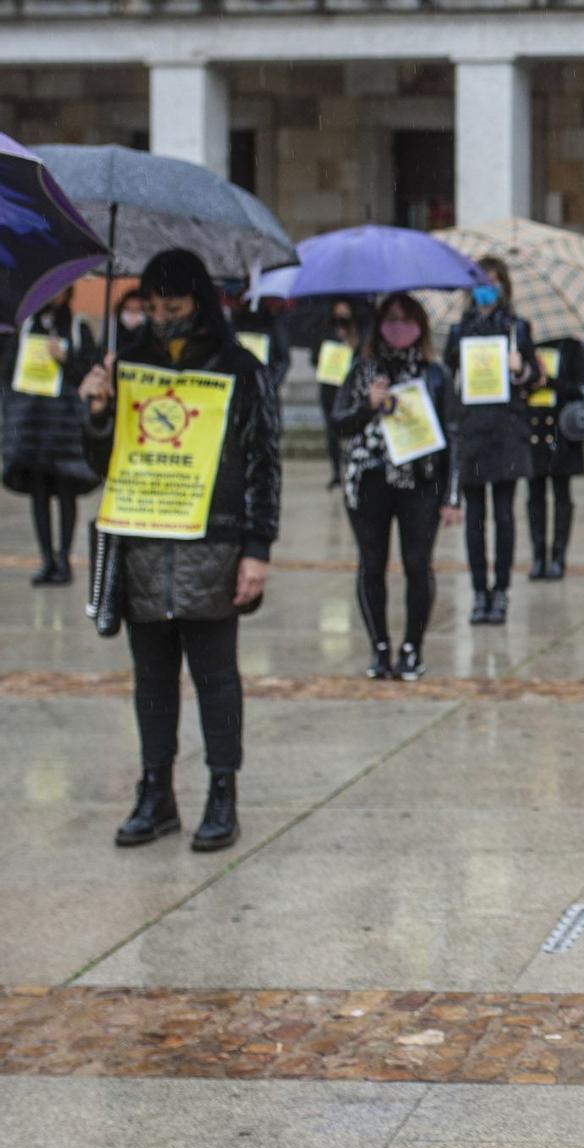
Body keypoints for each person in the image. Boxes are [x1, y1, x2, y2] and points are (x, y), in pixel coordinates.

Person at [78, 249, 281, 853]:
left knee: (216, 677)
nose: (163, 318)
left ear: (200, 304)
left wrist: (256, 548)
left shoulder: (239, 368)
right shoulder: (129, 364)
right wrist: (98, 409)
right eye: (154, 307)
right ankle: (155, 792)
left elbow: (263, 464)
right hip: (142, 541)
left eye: (176, 307)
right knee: (152, 679)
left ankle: (223, 792)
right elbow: (99, 465)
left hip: (211, 544)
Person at [329, 294, 462, 680]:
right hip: (369, 480)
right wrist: (368, 405)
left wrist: (452, 495)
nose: (398, 326)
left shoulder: (434, 374)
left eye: (406, 319)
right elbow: (339, 422)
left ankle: (412, 648)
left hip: (420, 482)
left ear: (419, 325)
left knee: (417, 564)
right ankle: (380, 647)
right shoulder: (363, 369)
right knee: (372, 564)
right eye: (391, 319)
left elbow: (453, 435)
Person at [443, 258, 541, 625]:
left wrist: (522, 369)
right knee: (475, 519)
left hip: (505, 430)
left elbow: (534, 380)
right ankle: (478, 591)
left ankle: (501, 590)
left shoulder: (518, 328)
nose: (488, 289)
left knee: (503, 514)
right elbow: (450, 376)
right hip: (472, 430)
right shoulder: (459, 331)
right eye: (482, 282)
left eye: (494, 282)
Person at [2, 286, 101, 584]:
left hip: (64, 428)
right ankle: (47, 558)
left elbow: (88, 372)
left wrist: (65, 359)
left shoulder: (77, 326)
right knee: (39, 493)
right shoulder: (25, 326)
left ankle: (64, 558)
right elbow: (8, 371)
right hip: (32, 425)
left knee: (66, 492)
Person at [526, 329, 584, 579]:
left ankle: (559, 556)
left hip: (561, 431)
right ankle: (538, 556)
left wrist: (550, 382)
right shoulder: (523, 342)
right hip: (533, 428)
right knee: (535, 495)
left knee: (562, 494)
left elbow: (579, 388)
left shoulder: (570, 346)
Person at [316, 298, 365, 490]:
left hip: (350, 391)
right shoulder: (325, 331)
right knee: (332, 434)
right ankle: (336, 472)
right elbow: (315, 357)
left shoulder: (357, 333)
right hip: (329, 389)